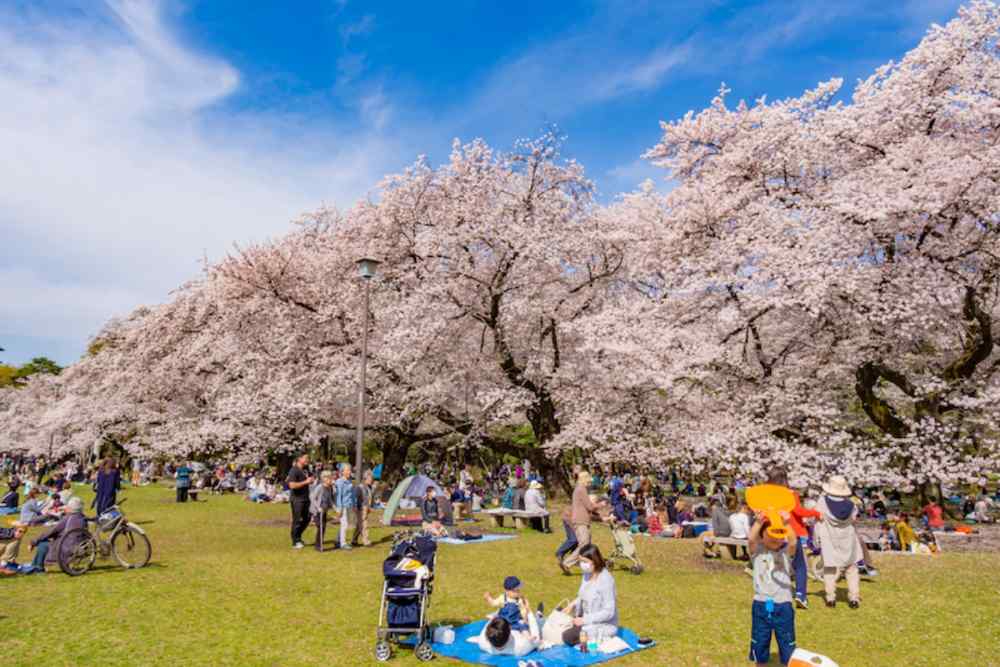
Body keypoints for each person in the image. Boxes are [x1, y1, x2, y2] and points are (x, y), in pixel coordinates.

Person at [748, 510, 797, 666]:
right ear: (763, 536)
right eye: (770, 534)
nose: (775, 538)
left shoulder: (786, 554)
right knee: (760, 640)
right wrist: (758, 522)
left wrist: (786, 523)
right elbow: (750, 539)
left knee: (786, 641)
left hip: (783, 605)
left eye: (778, 534)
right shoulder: (757, 553)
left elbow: (793, 542)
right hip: (762, 604)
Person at [815, 476, 863, 609]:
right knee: (851, 569)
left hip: (829, 538)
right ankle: (854, 597)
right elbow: (854, 520)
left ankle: (830, 598)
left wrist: (815, 538)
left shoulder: (822, 502)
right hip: (847, 538)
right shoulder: (851, 505)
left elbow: (818, 518)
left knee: (830, 568)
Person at [563, 544, 618, 647]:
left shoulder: (606, 580)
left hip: (602, 624)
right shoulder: (587, 574)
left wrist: (584, 620)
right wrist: (572, 605)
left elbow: (609, 612)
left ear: (595, 561)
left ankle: (587, 634)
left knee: (568, 637)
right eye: (580, 561)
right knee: (561, 614)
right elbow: (583, 595)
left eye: (585, 562)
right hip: (585, 616)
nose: (582, 565)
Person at [22, 497, 88, 574]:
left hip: (65, 548)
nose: (65, 508)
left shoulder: (68, 518)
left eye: (67, 507)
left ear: (71, 508)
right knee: (47, 542)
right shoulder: (82, 518)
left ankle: (38, 568)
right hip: (78, 546)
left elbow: (51, 531)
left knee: (43, 544)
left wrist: (33, 542)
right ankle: (34, 565)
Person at [562, 472, 598, 573]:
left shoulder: (578, 489)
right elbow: (590, 507)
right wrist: (599, 504)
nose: (589, 483)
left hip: (581, 520)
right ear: (584, 480)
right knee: (584, 544)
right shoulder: (581, 489)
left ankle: (586, 563)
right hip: (580, 520)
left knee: (587, 543)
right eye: (589, 481)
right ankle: (567, 563)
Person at [286, 454, 314, 549]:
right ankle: (295, 541)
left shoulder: (306, 470)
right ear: (299, 458)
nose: (307, 460)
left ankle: (298, 537)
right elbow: (292, 485)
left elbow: (309, 479)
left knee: (307, 518)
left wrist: (311, 480)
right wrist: (306, 482)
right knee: (297, 520)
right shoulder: (294, 470)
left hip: (306, 498)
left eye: (308, 458)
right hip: (297, 499)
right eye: (305, 458)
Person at [310, 470, 335, 551]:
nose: (331, 480)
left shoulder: (329, 488)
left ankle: (319, 544)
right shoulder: (320, 487)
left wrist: (335, 507)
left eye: (331, 478)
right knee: (320, 526)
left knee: (323, 527)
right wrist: (318, 507)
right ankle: (318, 546)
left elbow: (330, 500)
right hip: (317, 511)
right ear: (324, 479)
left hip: (324, 511)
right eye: (329, 478)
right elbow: (312, 497)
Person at [334, 464, 355, 550]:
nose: (349, 472)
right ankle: (343, 543)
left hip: (349, 505)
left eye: (350, 470)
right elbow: (339, 496)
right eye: (347, 470)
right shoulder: (339, 482)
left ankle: (338, 541)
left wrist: (353, 504)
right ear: (342, 472)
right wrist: (339, 509)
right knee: (344, 524)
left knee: (344, 524)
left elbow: (351, 495)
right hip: (342, 506)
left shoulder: (349, 481)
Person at [352, 470, 374, 547]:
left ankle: (354, 540)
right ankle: (366, 541)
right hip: (360, 508)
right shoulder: (359, 487)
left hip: (366, 507)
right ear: (365, 479)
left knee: (359, 525)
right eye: (370, 479)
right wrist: (356, 507)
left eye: (372, 479)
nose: (371, 480)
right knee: (364, 524)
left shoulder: (369, 487)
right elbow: (355, 498)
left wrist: (370, 507)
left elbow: (369, 498)